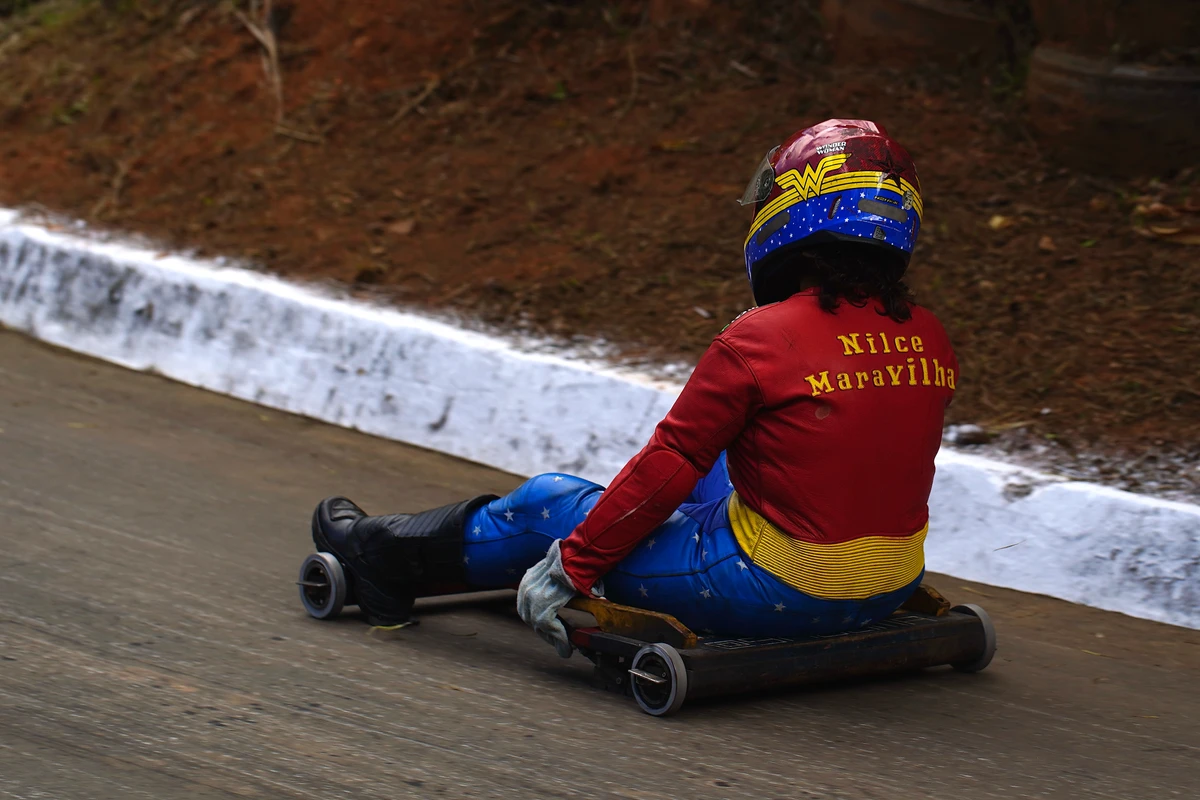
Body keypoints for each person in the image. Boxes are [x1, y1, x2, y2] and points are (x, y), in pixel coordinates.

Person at [310, 118, 958, 657]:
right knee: (736, 461)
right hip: (889, 582)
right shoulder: (928, 334)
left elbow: (670, 464)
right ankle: (622, 545)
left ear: (796, 208)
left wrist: (578, 563)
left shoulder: (763, 336)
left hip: (777, 590)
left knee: (552, 502)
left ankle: (382, 555)